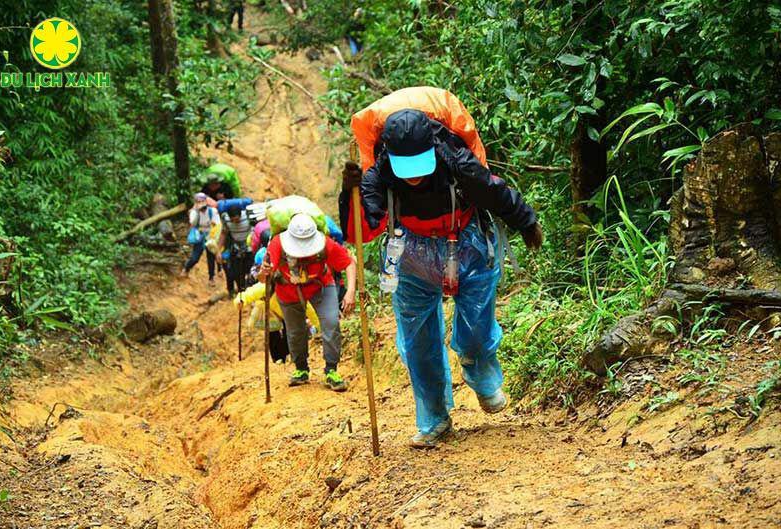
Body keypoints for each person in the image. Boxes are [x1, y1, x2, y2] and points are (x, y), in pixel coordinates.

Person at [340, 107, 543, 448]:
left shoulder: (456, 161)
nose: (414, 177)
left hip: (465, 243)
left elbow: (492, 190)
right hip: (411, 255)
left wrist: (526, 221)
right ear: (389, 156)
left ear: (432, 148)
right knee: (418, 342)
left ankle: (481, 375)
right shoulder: (378, 175)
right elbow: (360, 229)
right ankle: (434, 418)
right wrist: (350, 193)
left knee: (476, 328)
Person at [259, 213, 357, 391]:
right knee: (295, 331)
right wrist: (263, 272)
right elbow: (262, 279)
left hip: (320, 285)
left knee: (331, 322)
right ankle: (301, 368)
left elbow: (349, 263)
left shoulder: (325, 244)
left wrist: (350, 292)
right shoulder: (277, 244)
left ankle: (331, 370)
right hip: (287, 289)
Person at [182, 193, 220, 284]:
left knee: (210, 257)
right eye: (198, 201)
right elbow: (193, 223)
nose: (201, 204)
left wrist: (214, 236)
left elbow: (217, 223)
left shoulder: (213, 211)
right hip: (199, 235)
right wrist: (195, 211)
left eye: (202, 201)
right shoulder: (194, 212)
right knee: (195, 257)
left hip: (210, 235)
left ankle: (211, 278)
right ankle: (186, 268)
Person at [217, 205, 253, 297]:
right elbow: (224, 233)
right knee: (236, 272)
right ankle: (241, 290)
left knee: (249, 270)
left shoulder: (248, 217)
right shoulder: (226, 219)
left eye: (237, 220)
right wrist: (218, 250)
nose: (235, 222)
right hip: (236, 248)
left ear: (241, 215)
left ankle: (249, 291)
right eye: (232, 220)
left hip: (249, 248)